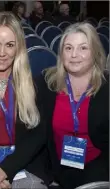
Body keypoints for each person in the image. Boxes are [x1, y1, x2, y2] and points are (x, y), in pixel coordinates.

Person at [0, 11, 50, 189]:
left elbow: (38, 136)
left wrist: (6, 169)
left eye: (10, 45)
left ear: (18, 48)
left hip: (24, 163)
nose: (2, 53)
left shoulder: (34, 85)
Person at [36, 22, 109, 189]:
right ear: (61, 53)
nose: (74, 54)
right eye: (68, 48)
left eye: (83, 48)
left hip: (97, 167)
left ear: (95, 52)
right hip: (54, 167)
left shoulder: (107, 87)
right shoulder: (46, 83)